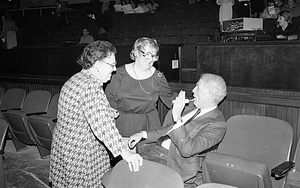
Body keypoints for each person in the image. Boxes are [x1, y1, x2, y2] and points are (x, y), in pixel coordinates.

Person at [49, 41, 143, 188]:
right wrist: (125, 153)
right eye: (111, 65)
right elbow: (103, 127)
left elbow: (81, 112)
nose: (114, 70)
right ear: (97, 63)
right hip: (83, 155)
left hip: (65, 149)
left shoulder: (75, 79)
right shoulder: (91, 87)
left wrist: (107, 111)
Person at [126, 73, 227, 188]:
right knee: (122, 174)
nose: (193, 90)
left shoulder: (218, 125)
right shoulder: (191, 108)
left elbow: (188, 150)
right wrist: (143, 134)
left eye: (198, 87)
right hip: (156, 154)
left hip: (176, 166)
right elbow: (167, 129)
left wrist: (178, 118)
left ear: (209, 96)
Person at [105, 37, 177, 137]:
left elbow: (170, 98)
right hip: (123, 124)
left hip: (149, 125)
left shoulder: (158, 77)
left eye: (154, 55)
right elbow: (108, 100)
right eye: (147, 54)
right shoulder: (119, 74)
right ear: (136, 53)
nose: (151, 59)